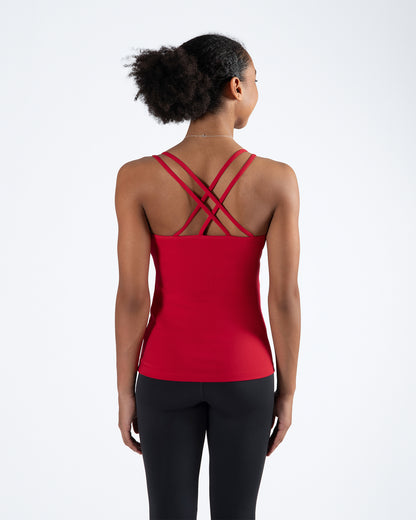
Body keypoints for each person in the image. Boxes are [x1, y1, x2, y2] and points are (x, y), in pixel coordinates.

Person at [115, 32, 301, 520]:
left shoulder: (136, 177)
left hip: (163, 374)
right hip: (246, 375)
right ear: (236, 87)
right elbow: (283, 298)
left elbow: (133, 297)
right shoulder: (277, 180)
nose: (256, 90)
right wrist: (287, 391)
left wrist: (125, 390)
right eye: (255, 80)